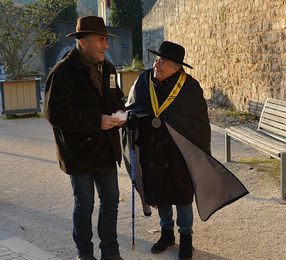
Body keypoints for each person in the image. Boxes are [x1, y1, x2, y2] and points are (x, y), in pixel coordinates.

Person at [124, 41, 248, 260]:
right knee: (160, 192)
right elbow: (132, 107)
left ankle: (186, 238)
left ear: (176, 67)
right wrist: (132, 120)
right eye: (156, 59)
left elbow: (197, 123)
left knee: (181, 194)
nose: (156, 64)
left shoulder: (189, 86)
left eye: (162, 61)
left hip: (180, 151)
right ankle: (166, 233)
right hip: (152, 148)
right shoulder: (144, 80)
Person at [44, 16, 125, 260]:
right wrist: (95, 120)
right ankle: (85, 254)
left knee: (111, 201)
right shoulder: (62, 72)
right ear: (83, 42)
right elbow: (54, 114)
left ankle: (110, 252)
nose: (106, 45)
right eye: (101, 40)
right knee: (85, 204)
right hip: (78, 152)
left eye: (106, 40)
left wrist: (121, 113)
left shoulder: (108, 68)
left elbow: (116, 98)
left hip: (106, 150)